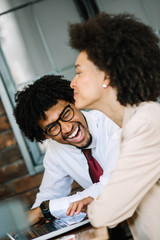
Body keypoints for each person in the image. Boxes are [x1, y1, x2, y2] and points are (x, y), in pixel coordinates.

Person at [68, 12, 160, 239]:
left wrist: (100, 204)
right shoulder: (132, 123)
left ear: (106, 76)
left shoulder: (146, 123)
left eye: (79, 72)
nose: (72, 82)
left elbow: (106, 213)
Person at [13, 74, 120, 225]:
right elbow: (48, 196)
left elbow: (111, 186)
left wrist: (45, 210)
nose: (67, 128)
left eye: (66, 114)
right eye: (53, 127)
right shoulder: (55, 150)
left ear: (74, 102)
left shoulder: (112, 122)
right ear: (45, 135)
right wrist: (34, 217)